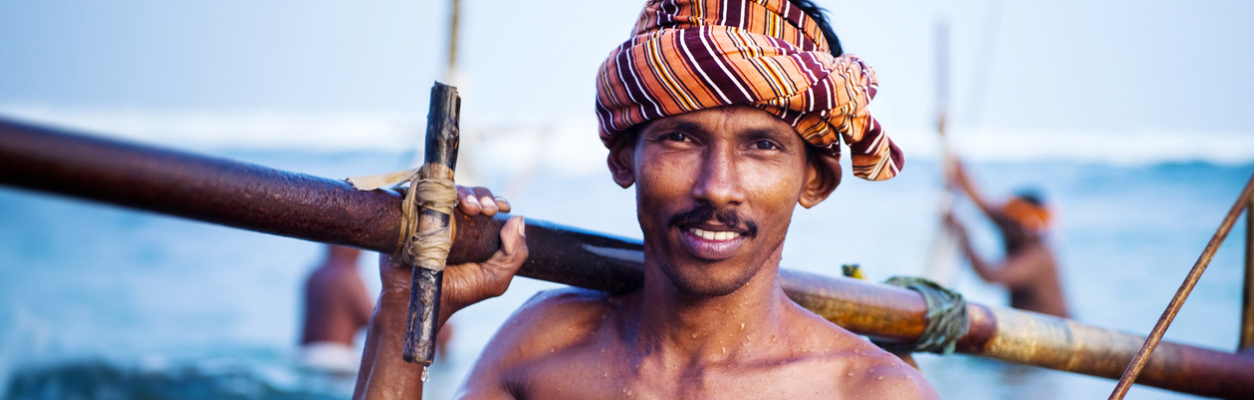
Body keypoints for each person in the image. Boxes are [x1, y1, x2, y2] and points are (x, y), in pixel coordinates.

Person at [351, 0, 937, 398]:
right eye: (681, 138)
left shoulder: (866, 390)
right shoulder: (542, 354)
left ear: (815, 181)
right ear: (623, 160)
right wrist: (403, 307)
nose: (717, 185)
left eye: (762, 146)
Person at [941, 158, 1071, 318]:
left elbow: (990, 275)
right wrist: (959, 169)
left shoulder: (1040, 257)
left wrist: (963, 235)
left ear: (1027, 227)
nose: (1005, 225)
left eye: (1011, 223)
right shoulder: (1017, 230)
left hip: (1052, 334)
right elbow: (985, 204)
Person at [299, 245, 374, 374]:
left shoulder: (314, 275)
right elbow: (372, 320)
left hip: (304, 356)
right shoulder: (349, 276)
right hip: (336, 360)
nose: (362, 251)